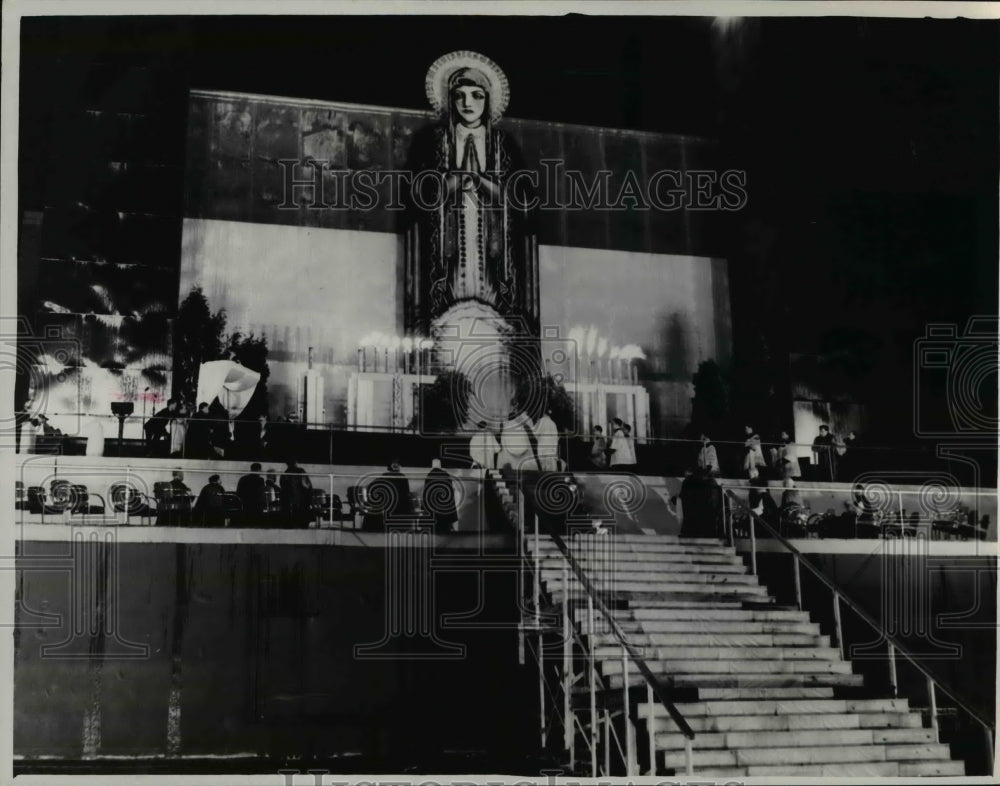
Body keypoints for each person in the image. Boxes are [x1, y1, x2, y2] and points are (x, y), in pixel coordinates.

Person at [408, 50, 535, 327]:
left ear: (487, 100)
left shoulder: (504, 145)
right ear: (450, 100)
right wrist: (459, 178)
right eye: (460, 95)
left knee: (494, 296)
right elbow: (424, 196)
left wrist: (479, 180)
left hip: (492, 243)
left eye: (476, 95)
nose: (468, 102)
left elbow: (518, 199)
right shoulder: (433, 142)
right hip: (448, 242)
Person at [362, 460, 414, 531]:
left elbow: (370, 486)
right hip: (400, 505)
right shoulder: (402, 477)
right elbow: (406, 492)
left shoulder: (384, 477)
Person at [422, 459, 459, 534]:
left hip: (433, 505)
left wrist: (424, 506)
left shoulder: (429, 476)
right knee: (444, 526)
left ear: (432, 465)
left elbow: (426, 492)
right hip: (444, 504)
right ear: (440, 465)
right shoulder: (446, 475)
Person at [280, 459, 313, 528]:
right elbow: (306, 485)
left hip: (289, 503)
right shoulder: (301, 471)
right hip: (301, 500)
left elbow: (283, 488)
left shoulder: (285, 474)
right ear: (296, 463)